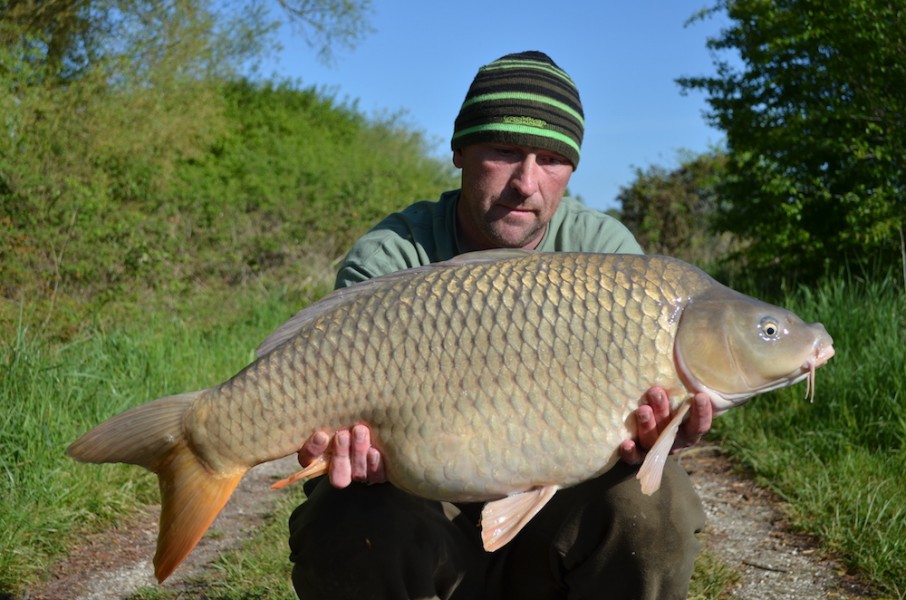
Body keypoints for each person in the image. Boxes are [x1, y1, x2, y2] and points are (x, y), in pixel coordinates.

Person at [287, 50, 712, 600]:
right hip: (424, 509)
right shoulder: (393, 256)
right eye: (505, 152)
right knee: (348, 516)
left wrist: (667, 434)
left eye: (551, 159)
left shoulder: (607, 256)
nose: (526, 182)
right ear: (460, 151)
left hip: (553, 518)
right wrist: (350, 450)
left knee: (655, 504)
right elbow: (329, 416)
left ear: (572, 170)